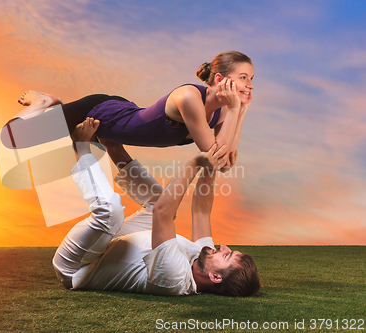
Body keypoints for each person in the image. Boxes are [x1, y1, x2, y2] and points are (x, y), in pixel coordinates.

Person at [52, 117, 260, 297]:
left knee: (111, 211)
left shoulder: (174, 278)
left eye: (226, 255)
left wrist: (196, 162)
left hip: (79, 266)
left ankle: (81, 146)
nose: (223, 247)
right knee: (155, 202)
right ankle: (113, 146)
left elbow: (163, 213)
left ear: (215, 277)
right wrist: (212, 164)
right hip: (110, 246)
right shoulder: (202, 255)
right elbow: (201, 211)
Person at [18, 51, 254, 171]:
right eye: (244, 78)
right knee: (15, 138)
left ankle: (57, 107)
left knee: (58, 144)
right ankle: (42, 102)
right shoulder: (190, 97)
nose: (250, 85)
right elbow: (216, 157)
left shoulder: (223, 113)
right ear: (221, 79)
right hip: (102, 111)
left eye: (251, 79)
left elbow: (223, 165)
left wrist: (240, 111)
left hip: (122, 115)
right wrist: (235, 110)